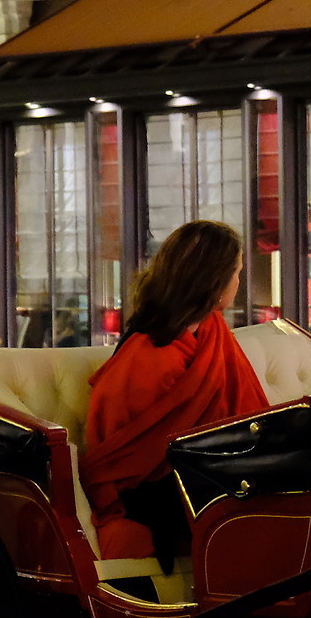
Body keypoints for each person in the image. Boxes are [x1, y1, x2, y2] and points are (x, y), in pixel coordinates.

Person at [80, 220, 268, 568]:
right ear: (214, 280)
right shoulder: (147, 353)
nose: (239, 283)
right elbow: (125, 459)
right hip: (161, 490)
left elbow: (246, 418)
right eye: (237, 272)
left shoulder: (212, 331)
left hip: (214, 470)